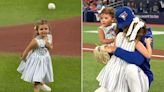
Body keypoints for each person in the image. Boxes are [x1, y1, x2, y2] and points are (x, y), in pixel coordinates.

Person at [94, 6, 153, 92]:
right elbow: (117, 56)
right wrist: (106, 51)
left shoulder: (145, 34)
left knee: (131, 69)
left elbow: (138, 59)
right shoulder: (119, 35)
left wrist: (115, 50)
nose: (126, 28)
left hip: (139, 78)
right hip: (120, 78)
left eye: (128, 25)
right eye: (124, 25)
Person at [17, 20, 54, 92]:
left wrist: (46, 43)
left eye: (46, 29)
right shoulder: (35, 41)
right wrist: (24, 59)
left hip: (45, 59)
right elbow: (27, 50)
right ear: (37, 31)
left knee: (42, 74)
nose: (44, 31)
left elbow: (51, 48)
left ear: (49, 29)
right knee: (36, 82)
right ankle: (39, 84)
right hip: (36, 61)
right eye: (41, 29)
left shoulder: (49, 37)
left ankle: (42, 83)